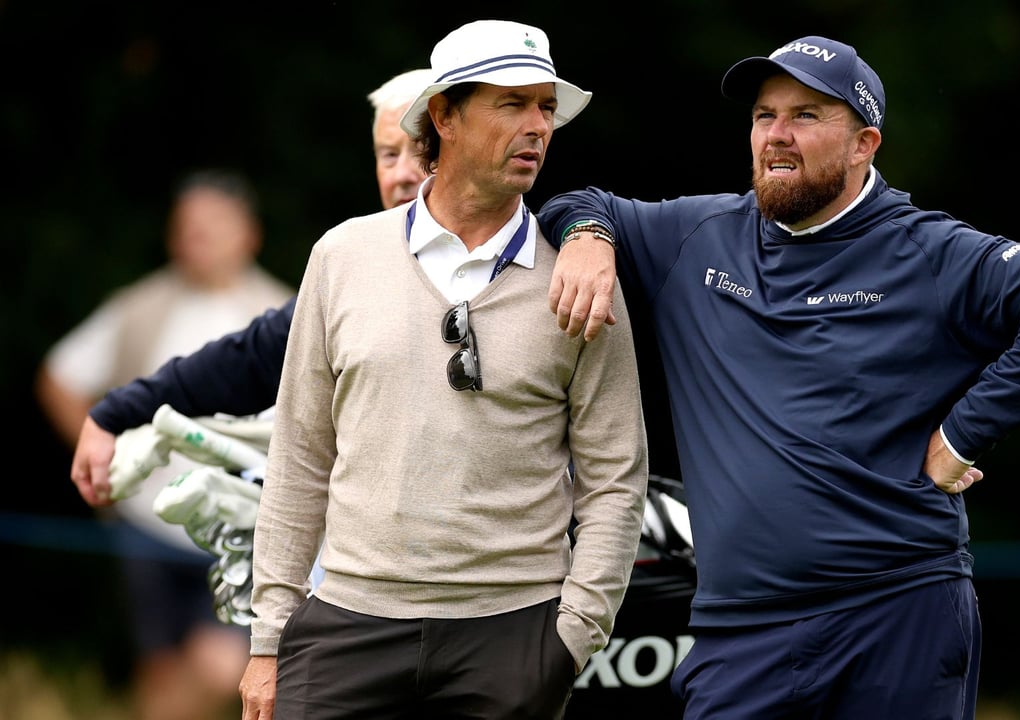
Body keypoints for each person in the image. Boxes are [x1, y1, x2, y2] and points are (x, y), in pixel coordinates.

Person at [540, 34, 1020, 719]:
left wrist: (963, 435)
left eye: (806, 116)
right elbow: (580, 201)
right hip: (741, 631)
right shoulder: (697, 237)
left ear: (863, 145)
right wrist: (587, 236)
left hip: (897, 609)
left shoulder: (929, 251)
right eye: (764, 115)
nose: (777, 135)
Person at [238, 19, 649, 720]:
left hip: (514, 635)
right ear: (444, 116)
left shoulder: (581, 276)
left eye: (546, 107)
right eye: (511, 104)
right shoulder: (342, 257)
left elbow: (615, 476)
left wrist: (572, 637)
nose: (537, 126)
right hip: (347, 624)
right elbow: (300, 452)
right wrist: (269, 637)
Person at [67, 68, 435, 509]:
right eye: (388, 154)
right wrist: (114, 415)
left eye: (422, 149)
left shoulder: (520, 263)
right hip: (152, 526)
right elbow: (245, 362)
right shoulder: (348, 276)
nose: (403, 173)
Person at [34, 168, 295, 720]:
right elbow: (60, 378)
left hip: (241, 530)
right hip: (144, 525)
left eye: (212, 224)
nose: (197, 237)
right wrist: (101, 461)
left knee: (220, 666)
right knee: (158, 672)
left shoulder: (283, 313)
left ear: (248, 233)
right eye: (187, 225)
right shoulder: (140, 306)